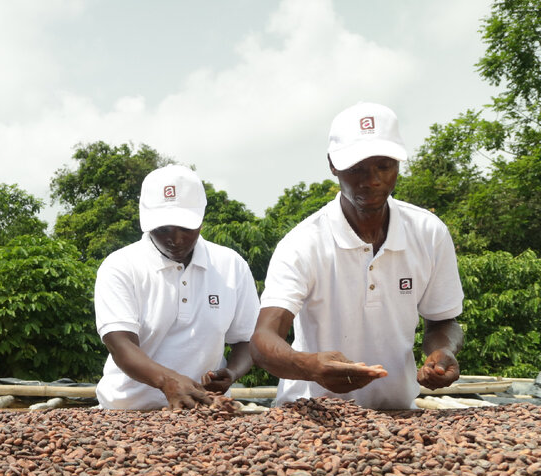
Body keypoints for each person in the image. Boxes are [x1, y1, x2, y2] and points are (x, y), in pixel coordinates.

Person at [251, 102, 464, 409]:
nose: (372, 180)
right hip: (313, 413)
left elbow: (443, 321)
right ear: (333, 165)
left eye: (384, 166)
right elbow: (263, 340)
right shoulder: (303, 243)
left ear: (398, 164)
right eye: (357, 168)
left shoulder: (428, 232)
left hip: (397, 413)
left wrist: (443, 353)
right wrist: (308, 366)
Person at [95, 164, 260, 410]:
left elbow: (247, 340)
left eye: (186, 227)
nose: (176, 238)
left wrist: (232, 372)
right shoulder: (120, 266)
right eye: (162, 228)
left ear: (201, 217)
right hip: (127, 410)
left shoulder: (230, 265)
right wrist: (167, 382)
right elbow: (120, 344)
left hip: (202, 410)